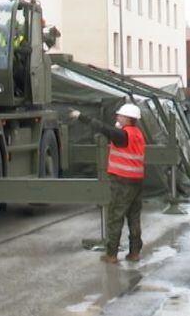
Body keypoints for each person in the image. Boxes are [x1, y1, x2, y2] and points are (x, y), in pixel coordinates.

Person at [70, 102, 146, 263]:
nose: (117, 117)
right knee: (134, 218)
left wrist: (80, 116)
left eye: (120, 115)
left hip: (122, 182)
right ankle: (134, 253)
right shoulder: (138, 134)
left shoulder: (122, 135)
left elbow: (102, 128)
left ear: (127, 118)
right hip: (136, 182)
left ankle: (111, 254)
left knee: (115, 217)